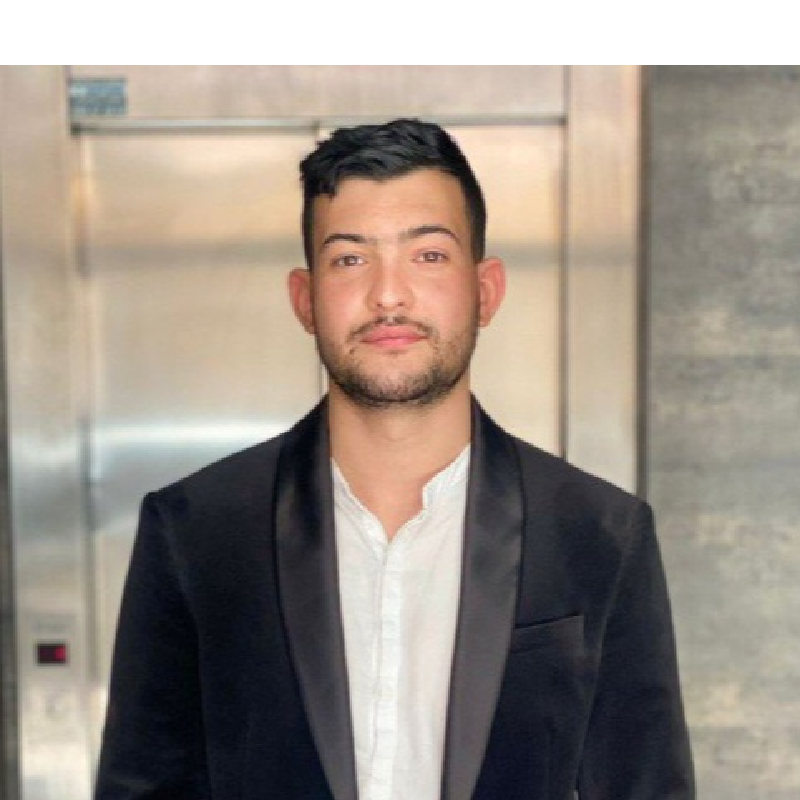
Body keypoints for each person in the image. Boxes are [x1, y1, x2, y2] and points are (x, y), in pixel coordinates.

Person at [93, 117, 695, 800]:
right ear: (304, 300)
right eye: (350, 259)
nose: (388, 295)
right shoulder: (197, 531)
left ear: (486, 290)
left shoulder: (599, 532)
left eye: (428, 255)